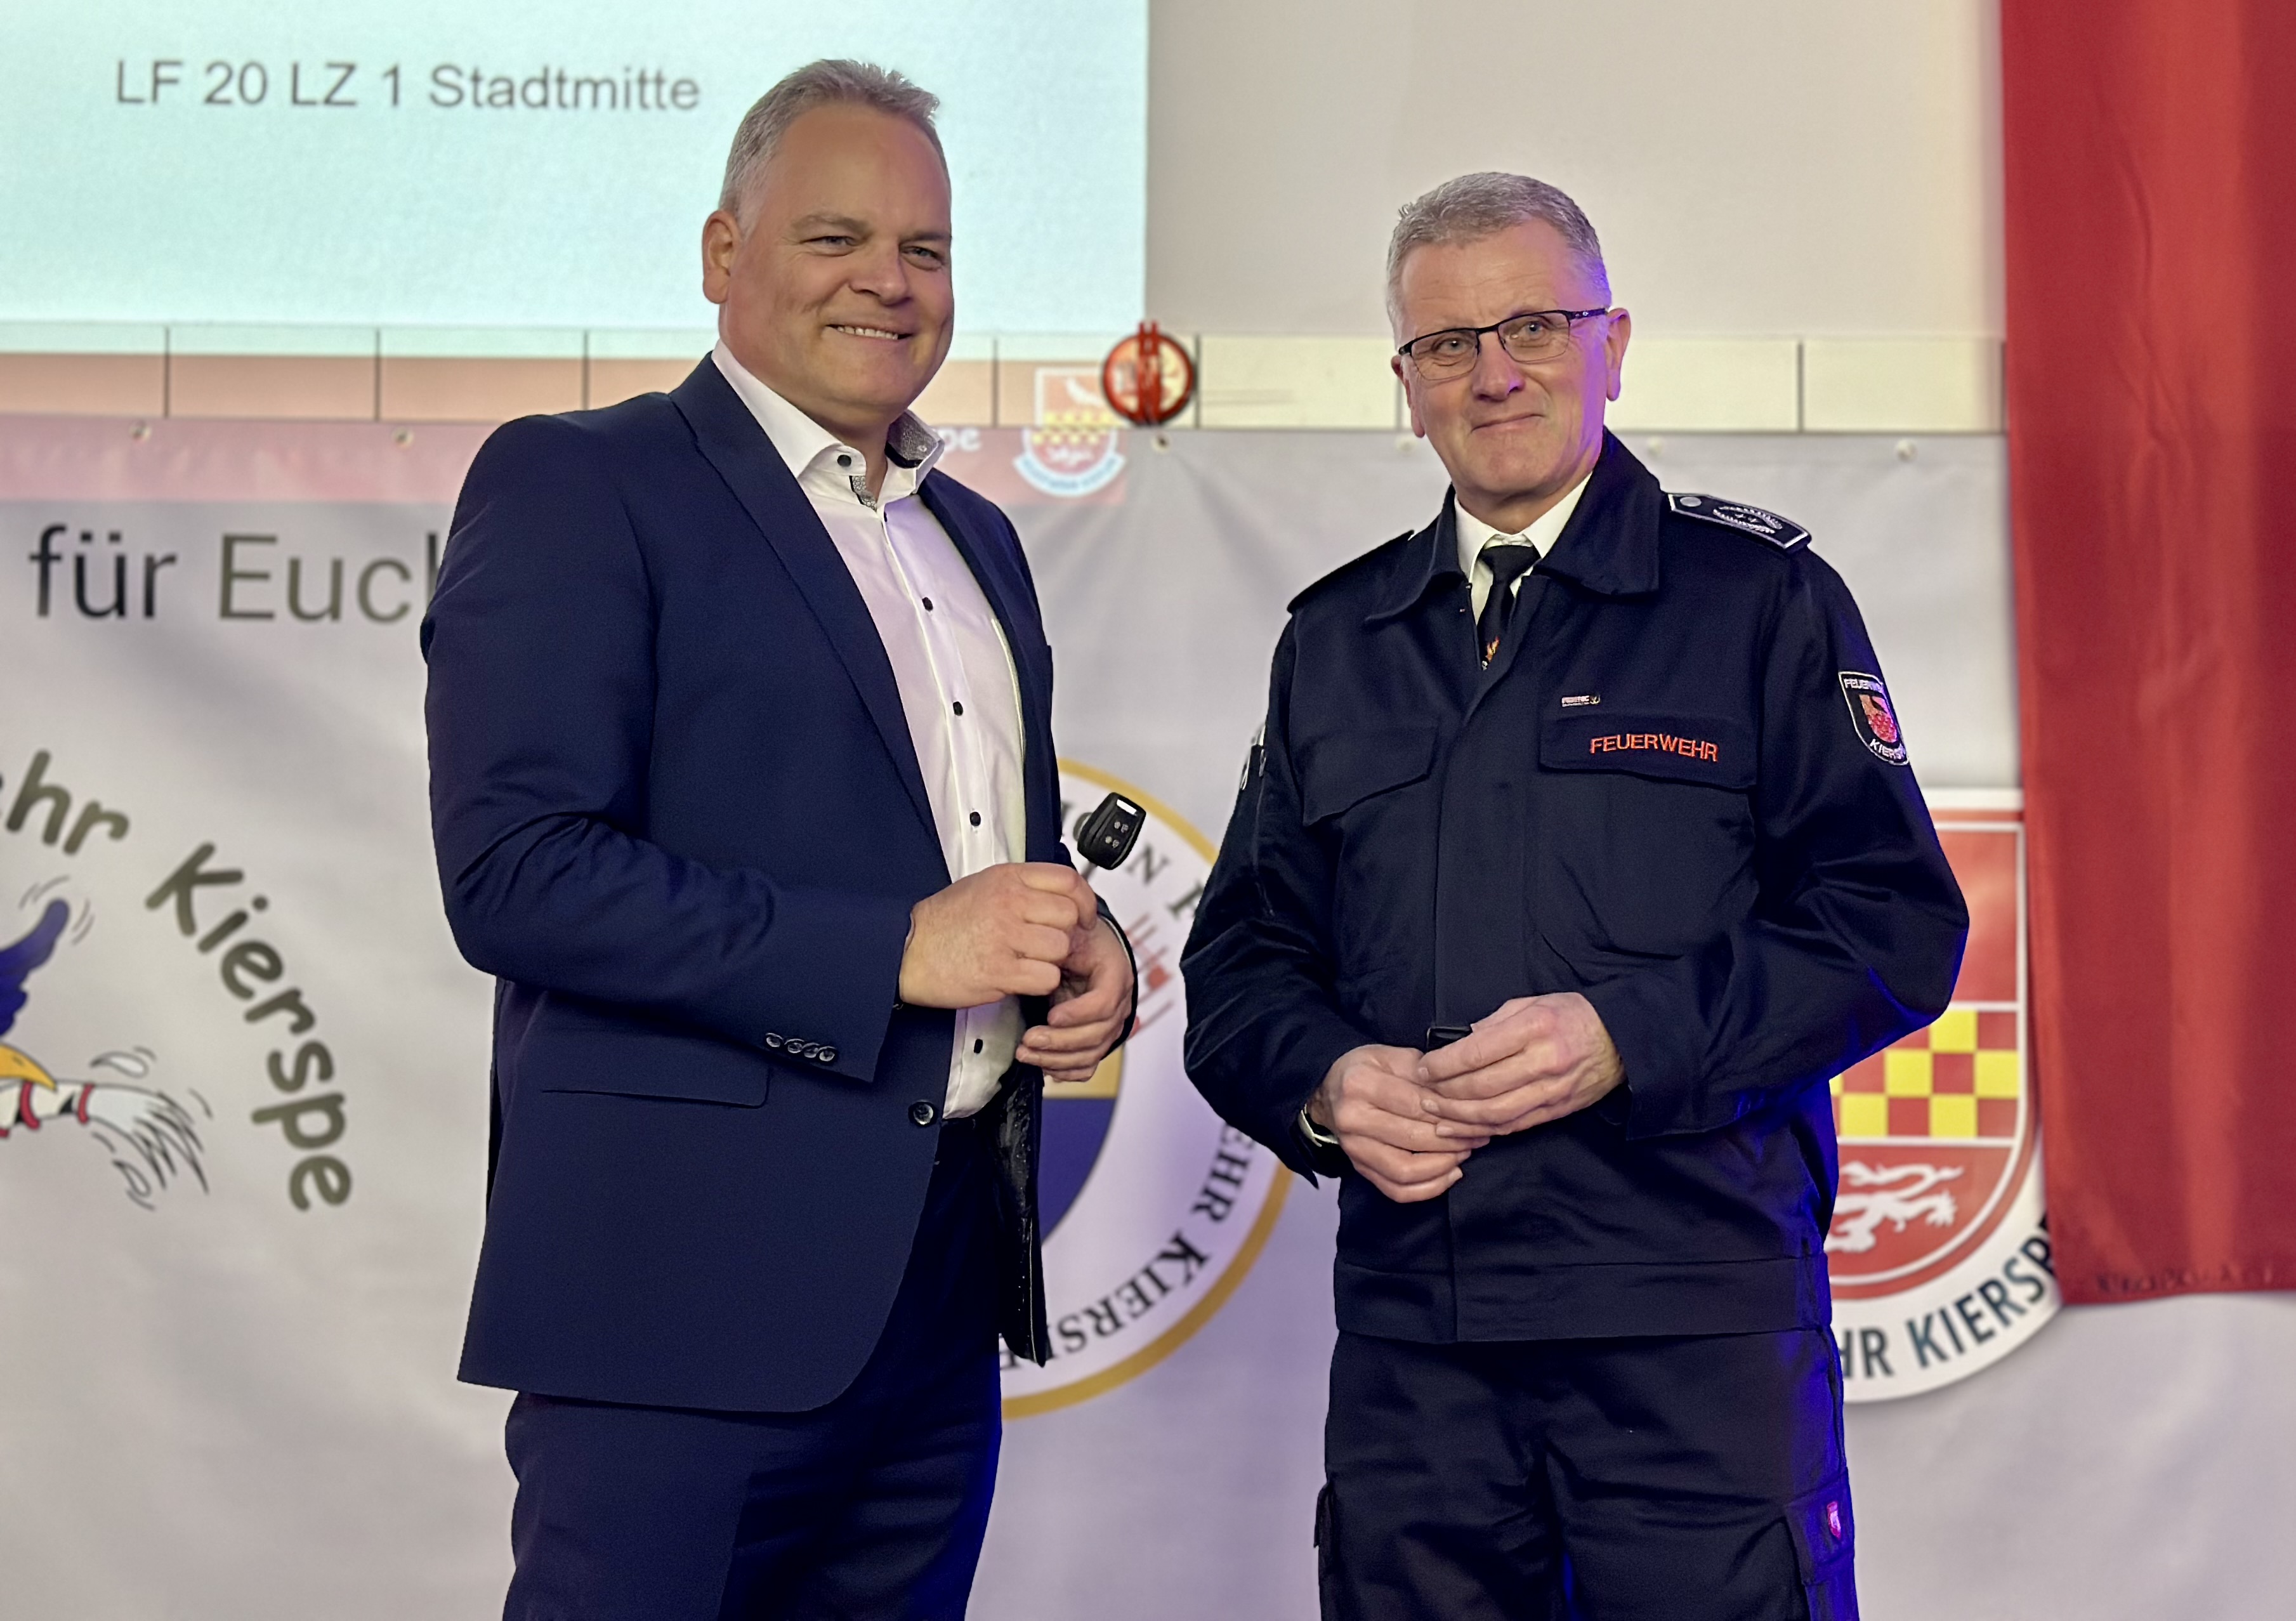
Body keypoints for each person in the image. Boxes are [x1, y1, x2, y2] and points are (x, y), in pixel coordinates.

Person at [1181, 172, 1967, 1620]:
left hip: (1691, 1335)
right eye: (1445, 345)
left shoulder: (1758, 602)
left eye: (1534, 325)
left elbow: (1892, 927)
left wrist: (1630, 1036)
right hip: (1420, 1350)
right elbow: (1239, 970)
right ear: (1403, 386)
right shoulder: (1336, 639)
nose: (1493, 374)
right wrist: (1325, 1081)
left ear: (1614, 343)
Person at [423, 60, 1134, 1620]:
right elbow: (516, 870)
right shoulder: (581, 481)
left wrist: (1079, 964)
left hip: (936, 1294)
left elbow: (961, 866)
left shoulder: (981, 542)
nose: (889, 279)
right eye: (834, 237)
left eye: (926, 250)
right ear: (721, 255)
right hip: (673, 1308)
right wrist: (897, 951)